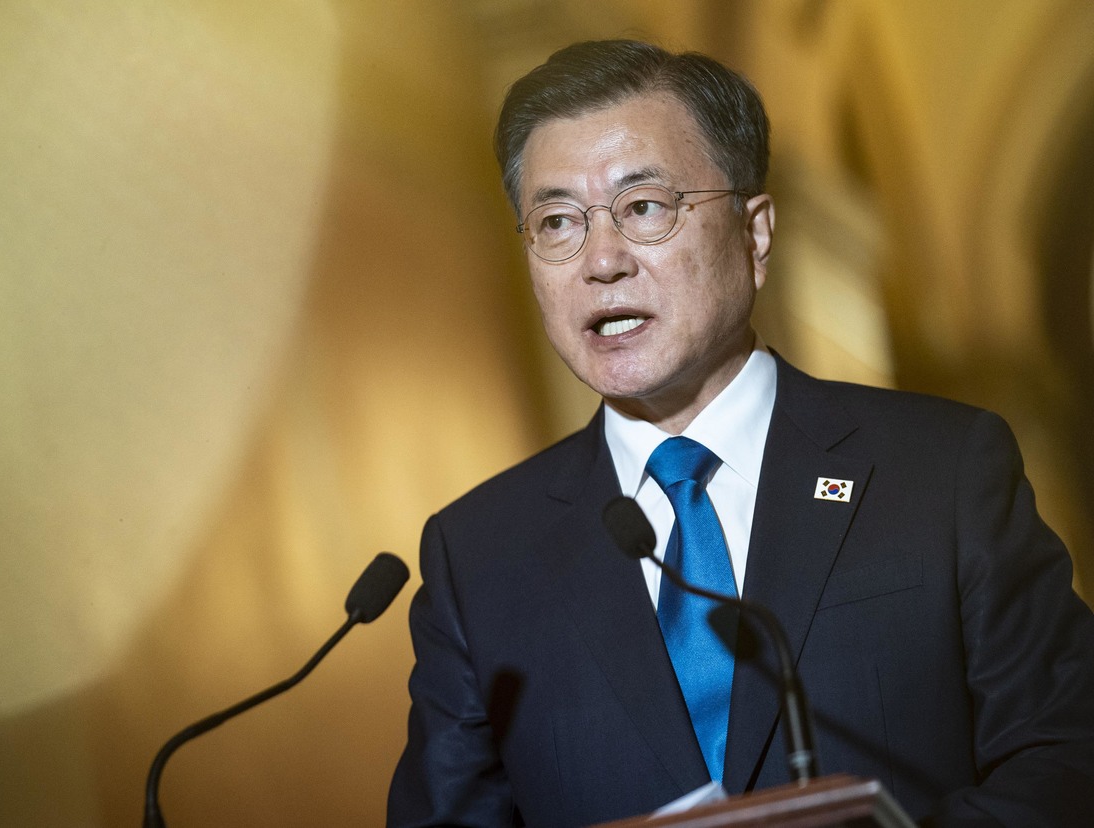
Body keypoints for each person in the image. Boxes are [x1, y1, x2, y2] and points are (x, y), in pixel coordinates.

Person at [386, 40, 1094, 827]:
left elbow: (1065, 757)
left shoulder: (941, 472)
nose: (602, 261)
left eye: (644, 207)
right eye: (557, 222)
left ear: (754, 234)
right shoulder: (478, 558)